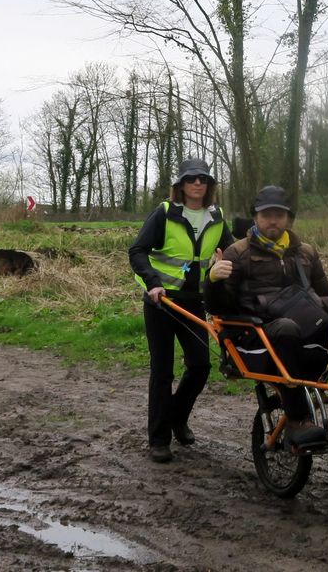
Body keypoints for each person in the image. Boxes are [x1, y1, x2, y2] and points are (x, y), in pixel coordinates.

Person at [204, 185, 328, 448]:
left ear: (288, 218)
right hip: (257, 335)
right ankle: (298, 421)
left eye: (279, 215)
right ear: (255, 218)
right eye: (266, 215)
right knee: (286, 327)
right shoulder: (237, 254)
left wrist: (311, 304)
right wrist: (213, 280)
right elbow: (219, 309)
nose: (273, 220)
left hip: (307, 327)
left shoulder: (306, 252)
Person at [129, 158, 234, 464]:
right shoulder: (165, 213)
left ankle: (175, 417)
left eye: (203, 179)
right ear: (180, 185)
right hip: (162, 302)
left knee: (201, 366)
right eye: (191, 179)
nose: (197, 183)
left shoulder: (217, 216)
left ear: (209, 185)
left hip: (194, 303)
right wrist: (152, 283)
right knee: (162, 371)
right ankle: (158, 439)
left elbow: (232, 249)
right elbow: (137, 251)